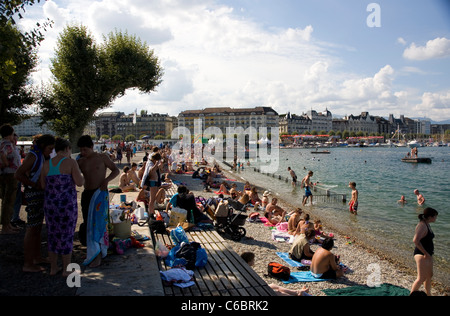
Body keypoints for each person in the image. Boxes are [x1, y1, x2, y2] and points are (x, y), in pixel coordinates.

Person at [40, 138, 84, 276]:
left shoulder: (46, 164)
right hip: (66, 206)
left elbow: (42, 186)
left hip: (51, 205)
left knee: (52, 234)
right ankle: (66, 269)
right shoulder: (71, 162)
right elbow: (79, 182)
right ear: (66, 149)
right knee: (67, 235)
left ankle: (53, 268)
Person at [15, 134, 56, 272]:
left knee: (37, 228)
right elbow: (18, 174)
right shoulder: (33, 156)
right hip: (34, 194)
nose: (51, 151)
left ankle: (37, 257)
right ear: (43, 145)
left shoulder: (41, 155)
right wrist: (34, 185)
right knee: (32, 228)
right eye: (50, 148)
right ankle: (28, 264)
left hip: (40, 194)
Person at [77, 135, 119, 267]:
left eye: (85, 150)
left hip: (99, 193)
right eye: (81, 150)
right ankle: (92, 251)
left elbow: (116, 170)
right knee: (87, 222)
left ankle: (99, 255)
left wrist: (106, 181)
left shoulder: (102, 157)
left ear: (91, 147)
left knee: (99, 224)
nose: (83, 153)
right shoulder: (80, 161)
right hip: (87, 193)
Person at [241, 251, 310, 296]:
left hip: (252, 288)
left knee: (273, 285)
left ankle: (297, 292)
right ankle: (296, 294)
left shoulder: (245, 269)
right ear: (249, 261)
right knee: (278, 292)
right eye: (253, 260)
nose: (254, 261)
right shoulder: (247, 272)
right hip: (252, 291)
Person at [411, 207, 438, 296]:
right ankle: (412, 294)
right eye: (435, 216)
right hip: (421, 254)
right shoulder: (422, 225)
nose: (436, 218)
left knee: (429, 276)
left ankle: (428, 294)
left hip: (427, 254)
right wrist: (426, 253)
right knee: (421, 278)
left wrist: (428, 254)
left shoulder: (427, 224)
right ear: (430, 217)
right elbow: (415, 240)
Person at [0, 124, 21, 234]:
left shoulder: (4, 143)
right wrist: (6, 162)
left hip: (5, 174)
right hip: (10, 174)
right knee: (9, 200)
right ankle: (5, 226)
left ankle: (7, 224)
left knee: (6, 199)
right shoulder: (7, 144)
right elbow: (2, 153)